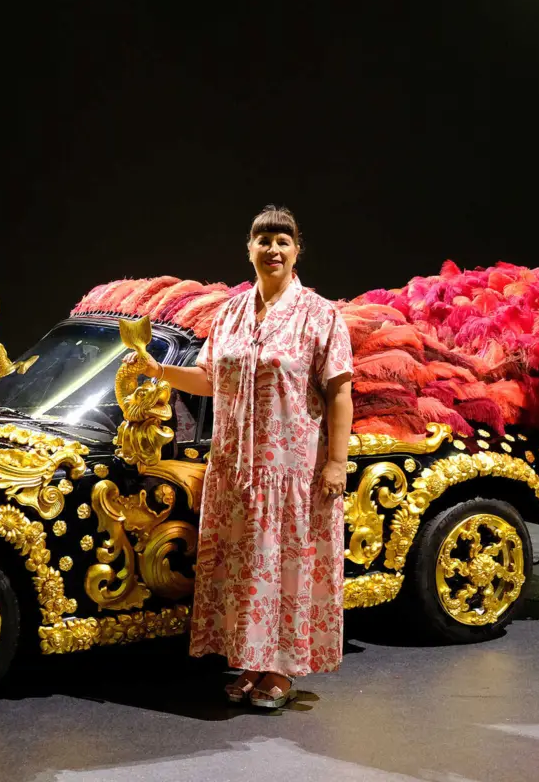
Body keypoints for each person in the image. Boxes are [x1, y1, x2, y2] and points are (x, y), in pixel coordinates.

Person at [126, 205, 354, 708]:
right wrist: (157, 370)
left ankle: (281, 668)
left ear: (297, 251)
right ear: (248, 248)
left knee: (287, 566)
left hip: (292, 471)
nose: (273, 249)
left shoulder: (319, 315)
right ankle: (251, 660)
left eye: (283, 240)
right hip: (234, 468)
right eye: (263, 239)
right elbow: (210, 379)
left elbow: (339, 392)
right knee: (248, 568)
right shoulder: (230, 314)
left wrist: (336, 463)